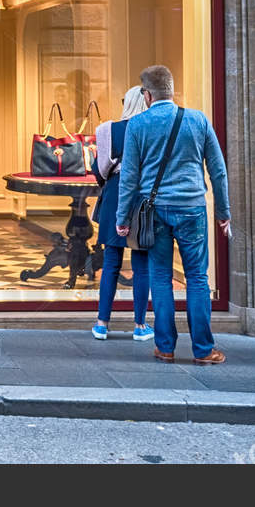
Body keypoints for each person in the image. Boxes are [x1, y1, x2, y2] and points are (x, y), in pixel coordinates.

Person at [114, 64, 232, 364]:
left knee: (161, 277)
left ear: (146, 94)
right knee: (196, 278)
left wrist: (123, 218)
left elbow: (129, 177)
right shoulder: (198, 119)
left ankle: (165, 347)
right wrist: (223, 211)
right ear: (172, 90)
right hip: (192, 208)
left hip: (153, 211)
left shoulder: (138, 125)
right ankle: (204, 350)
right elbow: (218, 171)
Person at [90, 86, 152, 341]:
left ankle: (102, 324)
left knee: (111, 262)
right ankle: (140, 325)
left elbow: (100, 169)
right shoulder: (151, 129)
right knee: (141, 265)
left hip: (115, 195)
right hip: (142, 197)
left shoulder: (108, 129)